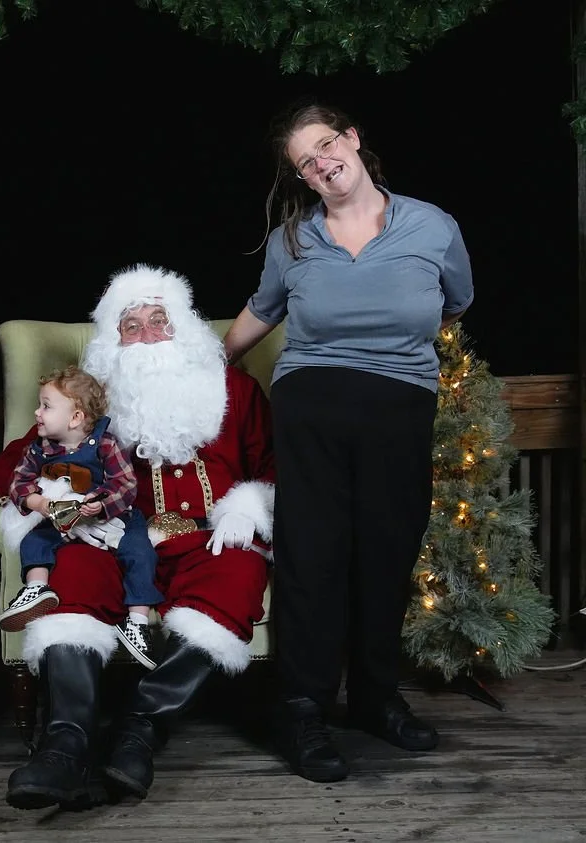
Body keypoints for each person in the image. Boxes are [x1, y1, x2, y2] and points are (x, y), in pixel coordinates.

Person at [223, 102, 474, 784]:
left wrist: (391, 339)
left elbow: (453, 302)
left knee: (387, 549)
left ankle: (373, 698)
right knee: (313, 554)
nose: (322, 162)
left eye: (327, 144)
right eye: (306, 160)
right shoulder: (294, 240)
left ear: (354, 139)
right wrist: (211, 357)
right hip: (311, 403)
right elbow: (262, 309)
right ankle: (302, 704)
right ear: (302, 176)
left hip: (399, 405)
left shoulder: (432, 226)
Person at [0, 264, 275, 809]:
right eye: (131, 325)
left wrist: (253, 503)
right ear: (112, 342)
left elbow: (274, 465)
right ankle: (65, 742)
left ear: (184, 331)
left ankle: (137, 729)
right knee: (70, 575)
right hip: (117, 537)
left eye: (158, 321)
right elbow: (15, 460)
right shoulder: (91, 403)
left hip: (207, 539)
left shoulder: (236, 390)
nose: (146, 335)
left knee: (239, 576)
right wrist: (45, 498)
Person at [0, 366, 164, 668]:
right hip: (62, 520)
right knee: (34, 540)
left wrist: (100, 504)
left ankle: (136, 623)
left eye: (46, 406)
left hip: (115, 519)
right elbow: (18, 483)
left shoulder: (106, 444)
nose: (37, 412)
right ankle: (36, 588)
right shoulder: (40, 449)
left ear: (76, 418)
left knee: (140, 554)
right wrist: (40, 503)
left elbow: (125, 484)